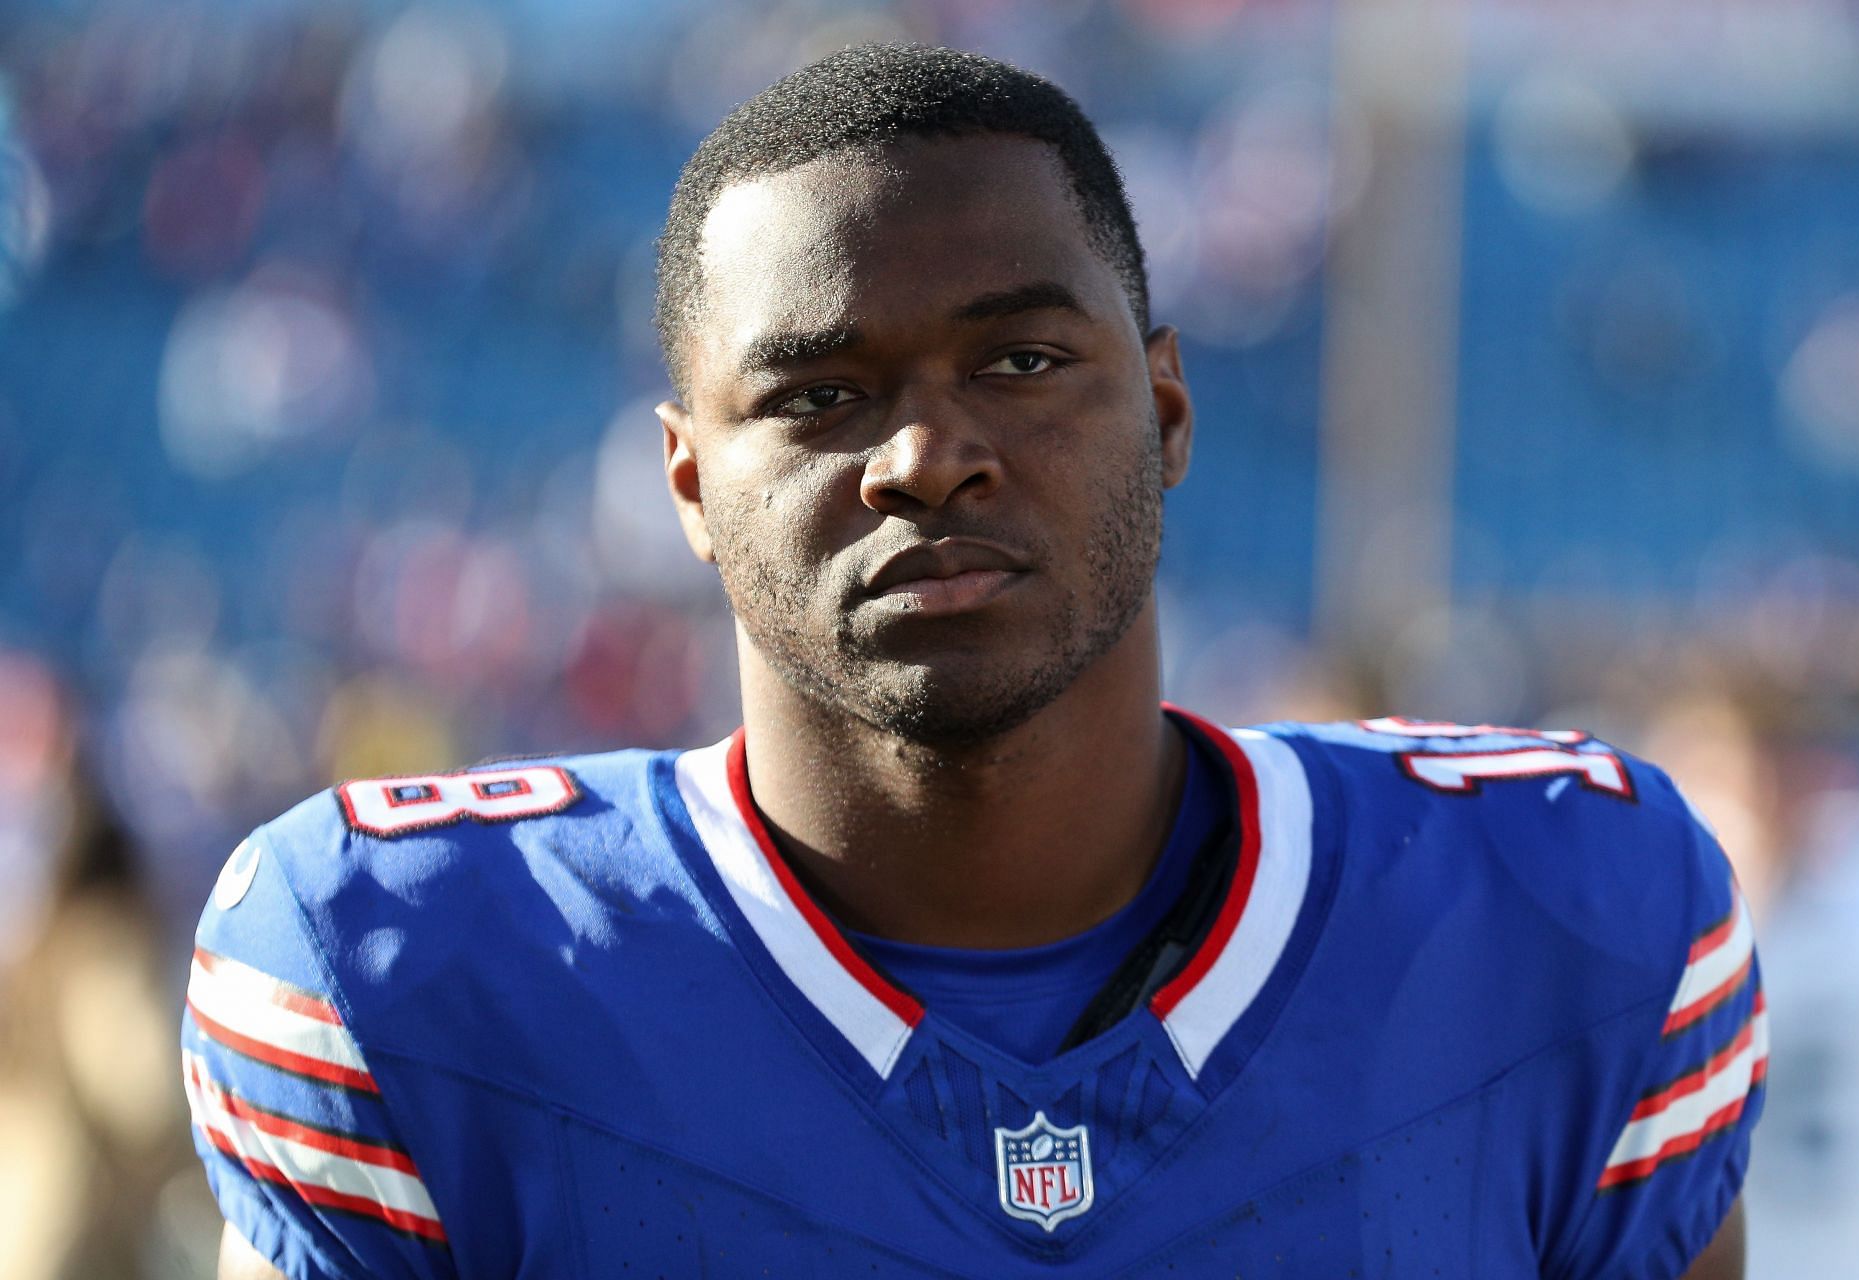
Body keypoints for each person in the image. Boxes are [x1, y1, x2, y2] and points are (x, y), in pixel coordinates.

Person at [185, 45, 1762, 1279]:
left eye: (1021, 361)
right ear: (686, 489)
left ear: (1166, 412)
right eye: (819, 395)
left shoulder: (1567, 915)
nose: (928, 456)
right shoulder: (419, 977)